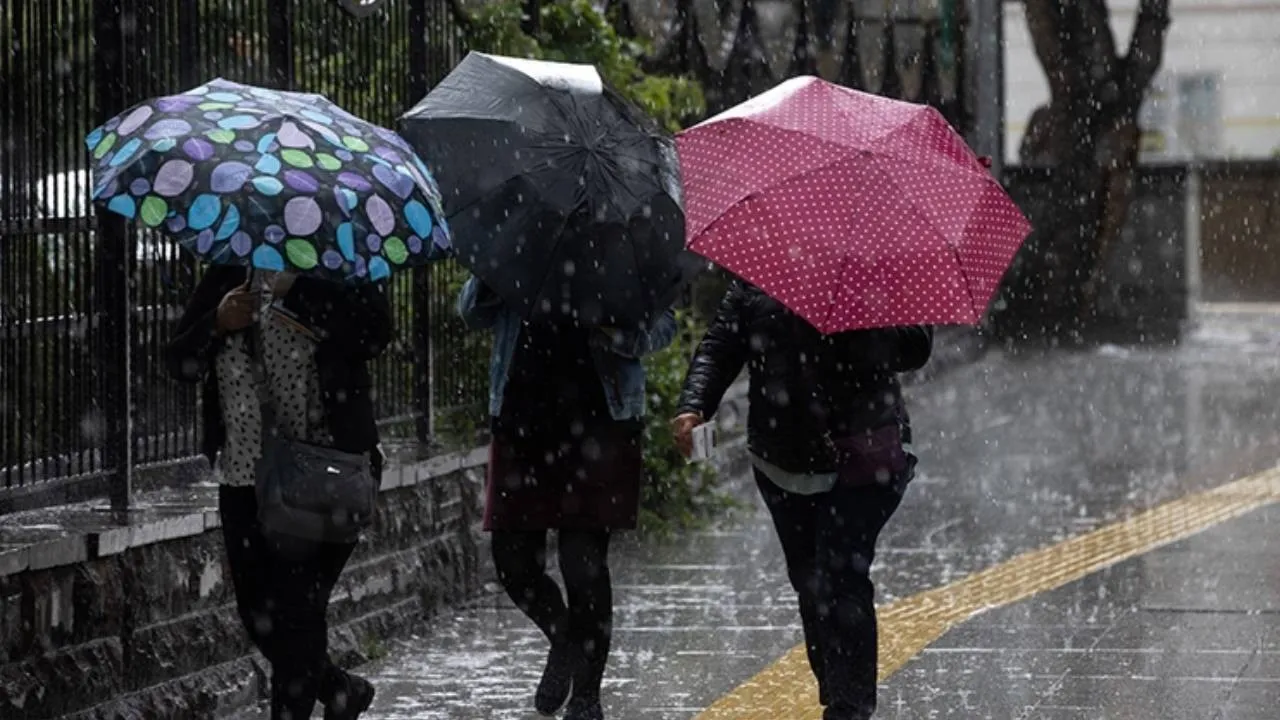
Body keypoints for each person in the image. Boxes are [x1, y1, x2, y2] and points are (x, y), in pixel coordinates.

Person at [671, 280, 932, 720]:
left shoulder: (877, 268)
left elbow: (916, 347)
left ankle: (850, 706)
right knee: (810, 581)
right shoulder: (757, 280)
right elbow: (720, 347)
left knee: (842, 573)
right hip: (782, 458)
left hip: (864, 453)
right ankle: (833, 686)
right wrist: (693, 404)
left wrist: (860, 322)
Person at [165, 266, 392, 720]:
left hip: (323, 477)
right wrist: (217, 321)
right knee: (259, 617)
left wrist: (302, 290)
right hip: (243, 480)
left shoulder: (337, 269)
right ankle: (340, 688)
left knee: (298, 612)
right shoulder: (230, 275)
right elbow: (177, 362)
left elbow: (376, 334)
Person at [457, 276, 676, 720]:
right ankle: (564, 641)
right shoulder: (521, 229)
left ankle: (587, 696)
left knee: (584, 567)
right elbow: (471, 313)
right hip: (521, 422)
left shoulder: (622, 235)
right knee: (513, 564)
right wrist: (492, 277)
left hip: (600, 423)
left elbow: (664, 325)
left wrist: (616, 332)